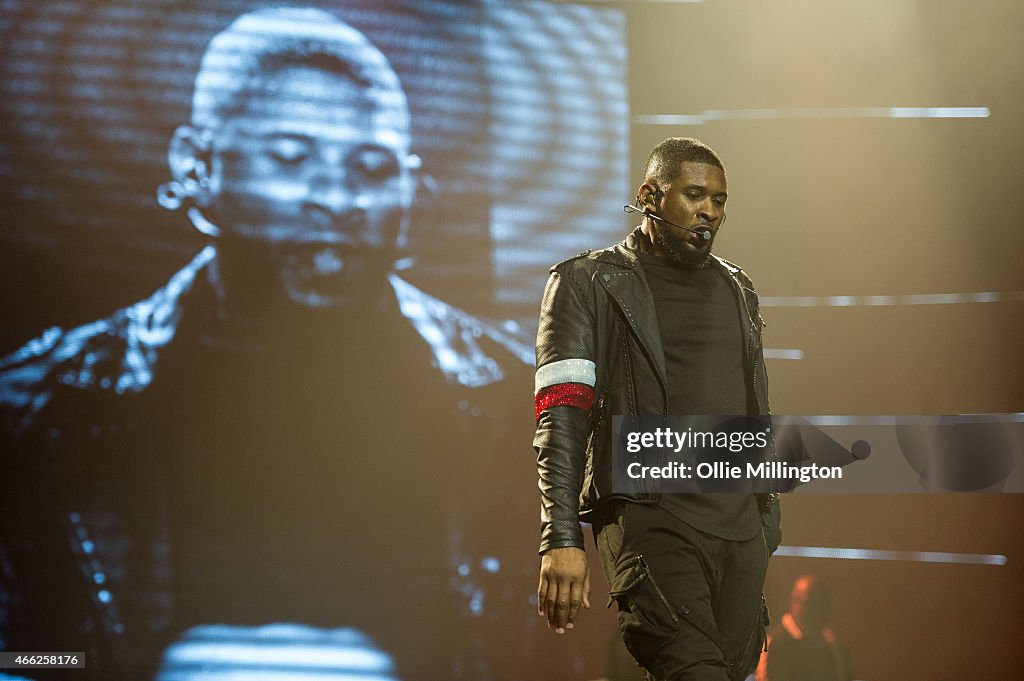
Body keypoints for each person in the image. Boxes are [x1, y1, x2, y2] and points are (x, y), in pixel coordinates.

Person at [0, 7, 528, 680]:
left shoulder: (520, 403)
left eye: (372, 167)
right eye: (289, 157)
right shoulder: (33, 410)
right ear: (196, 164)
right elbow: (18, 654)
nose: (337, 197)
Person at [532, 137, 782, 681]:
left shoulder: (738, 287)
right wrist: (562, 534)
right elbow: (561, 415)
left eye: (719, 200)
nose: (709, 212)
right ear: (650, 195)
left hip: (739, 528)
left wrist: (766, 521)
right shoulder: (587, 281)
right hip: (652, 517)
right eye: (695, 195)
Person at [756, 575, 851, 681]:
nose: (814, 610)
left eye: (819, 604)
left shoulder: (833, 645)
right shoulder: (771, 643)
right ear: (793, 602)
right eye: (808, 603)